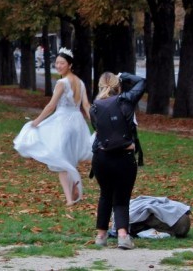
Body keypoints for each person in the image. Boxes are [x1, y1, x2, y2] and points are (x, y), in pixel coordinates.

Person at [13, 48, 92, 206]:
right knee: (69, 158)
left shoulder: (62, 83)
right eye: (56, 62)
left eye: (62, 63)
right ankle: (74, 187)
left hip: (63, 121)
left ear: (69, 65)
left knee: (60, 160)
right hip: (77, 122)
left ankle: (69, 198)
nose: (58, 65)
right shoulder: (80, 82)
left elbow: (51, 106)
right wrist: (95, 123)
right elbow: (86, 106)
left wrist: (37, 121)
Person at [91, 72, 146, 249]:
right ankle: (123, 235)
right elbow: (141, 82)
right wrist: (124, 75)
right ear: (119, 86)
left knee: (105, 195)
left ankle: (101, 236)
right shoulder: (126, 101)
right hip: (124, 156)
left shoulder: (95, 107)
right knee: (122, 198)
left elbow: (98, 131)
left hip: (101, 158)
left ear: (100, 87)